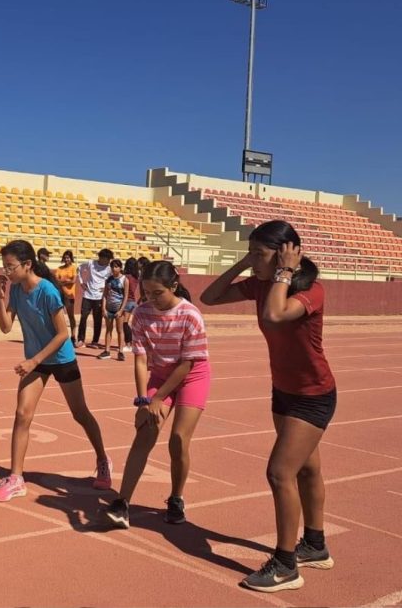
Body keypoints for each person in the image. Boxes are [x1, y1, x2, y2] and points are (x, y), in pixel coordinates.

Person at [201, 220, 336, 593]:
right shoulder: (259, 283)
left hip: (313, 395)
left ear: (284, 253)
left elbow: (275, 315)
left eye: (259, 253)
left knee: (280, 474)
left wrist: (285, 272)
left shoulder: (312, 290)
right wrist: (245, 263)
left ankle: (286, 565)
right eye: (251, 252)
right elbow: (209, 297)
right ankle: (316, 544)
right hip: (284, 391)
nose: (253, 260)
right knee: (307, 470)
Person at [0, 240, 112, 502]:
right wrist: (0, 300)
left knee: (80, 414)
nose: (6, 272)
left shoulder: (47, 291)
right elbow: (5, 326)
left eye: (10, 267)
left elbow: (62, 334)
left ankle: (103, 459)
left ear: (27, 265)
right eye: (4, 267)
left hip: (60, 358)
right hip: (37, 360)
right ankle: (16, 478)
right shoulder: (15, 291)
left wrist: (34, 361)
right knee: (22, 414)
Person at [105, 261, 210, 529]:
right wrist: (143, 400)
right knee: (145, 432)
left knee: (178, 439)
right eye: (146, 294)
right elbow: (140, 360)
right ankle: (122, 502)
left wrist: (158, 398)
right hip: (161, 374)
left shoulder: (190, 315)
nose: (151, 299)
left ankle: (176, 498)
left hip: (191, 376)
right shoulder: (141, 313)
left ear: (173, 286)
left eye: (157, 293)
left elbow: (187, 365)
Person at [76, 248, 113, 348]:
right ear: (101, 258)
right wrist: (81, 282)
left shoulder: (109, 268)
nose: (109, 261)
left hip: (100, 297)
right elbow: (79, 268)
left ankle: (95, 341)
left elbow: (114, 279)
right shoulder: (90, 263)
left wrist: (107, 288)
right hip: (87, 295)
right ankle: (80, 339)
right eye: (107, 259)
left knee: (97, 320)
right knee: (83, 318)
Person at [97, 259, 128, 361]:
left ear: (120, 268)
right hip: (109, 308)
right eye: (112, 267)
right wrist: (103, 308)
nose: (114, 269)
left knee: (120, 330)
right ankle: (107, 350)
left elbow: (125, 296)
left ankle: (120, 351)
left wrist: (121, 310)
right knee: (108, 330)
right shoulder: (109, 280)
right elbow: (105, 294)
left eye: (116, 267)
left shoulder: (124, 280)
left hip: (119, 308)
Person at [53, 250, 77, 334]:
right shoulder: (59, 268)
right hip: (60, 294)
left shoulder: (73, 268)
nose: (66, 259)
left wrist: (62, 281)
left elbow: (73, 281)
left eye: (68, 257)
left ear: (71, 258)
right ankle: (60, 334)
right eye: (65, 257)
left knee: (71, 315)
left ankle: (73, 335)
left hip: (69, 295)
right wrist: (67, 280)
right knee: (58, 315)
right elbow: (56, 280)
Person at [121, 257, 140, 352]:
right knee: (128, 323)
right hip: (133, 301)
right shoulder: (136, 277)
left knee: (124, 323)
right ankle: (131, 342)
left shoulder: (126, 277)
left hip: (127, 301)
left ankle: (128, 343)